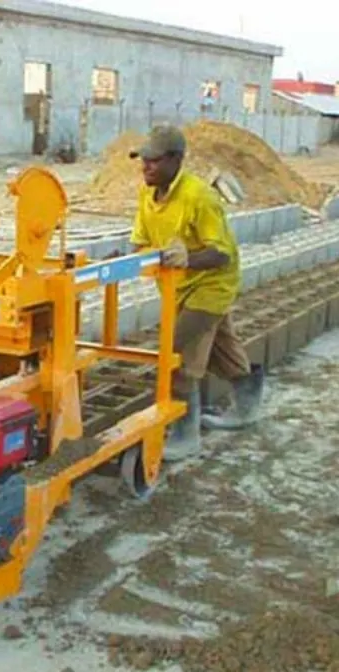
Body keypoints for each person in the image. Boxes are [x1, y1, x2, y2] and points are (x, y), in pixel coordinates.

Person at [129, 124, 264, 462]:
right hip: (179, 286)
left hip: (211, 284)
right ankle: (248, 407)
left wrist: (187, 258)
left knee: (176, 353)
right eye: (143, 161)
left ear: (176, 159)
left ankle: (185, 435)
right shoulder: (148, 194)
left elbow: (222, 253)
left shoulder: (199, 197)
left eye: (153, 161)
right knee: (223, 348)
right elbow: (140, 240)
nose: (146, 168)